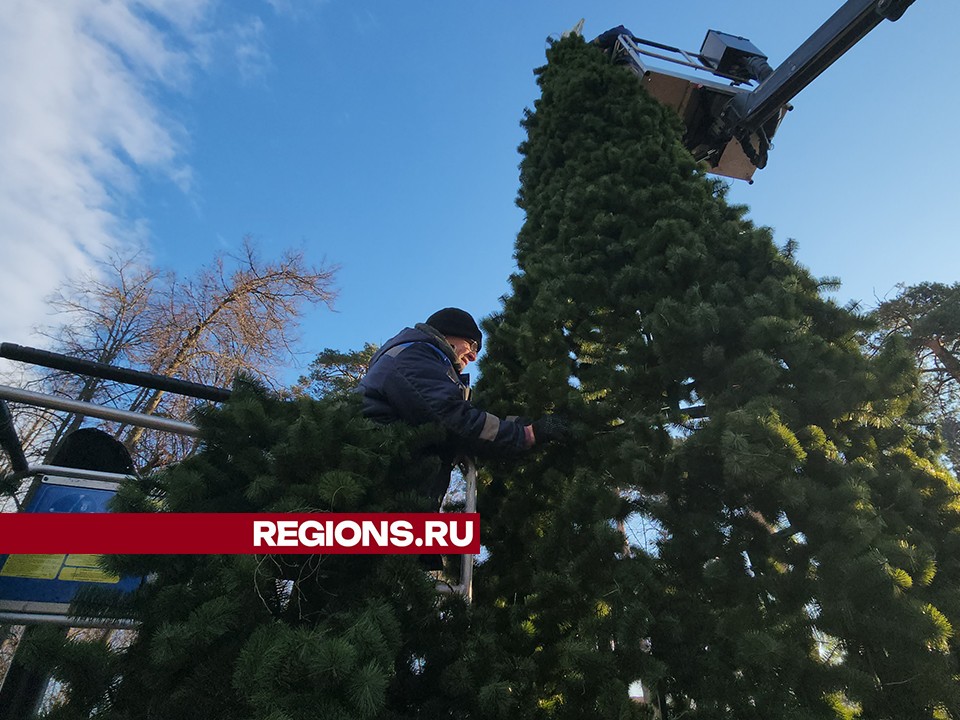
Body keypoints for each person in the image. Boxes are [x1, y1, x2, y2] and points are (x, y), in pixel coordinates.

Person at [358, 307, 570, 506]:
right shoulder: (415, 355)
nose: (474, 356)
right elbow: (452, 419)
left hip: (389, 490)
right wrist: (527, 434)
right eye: (472, 345)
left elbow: (459, 417)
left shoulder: (413, 358)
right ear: (448, 335)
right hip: (382, 495)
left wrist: (513, 424)